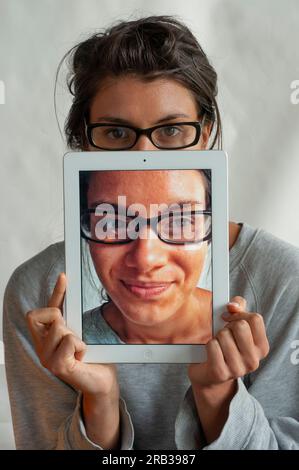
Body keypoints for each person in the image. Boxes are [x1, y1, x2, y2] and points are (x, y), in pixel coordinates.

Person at [3, 15, 299, 450]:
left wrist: (219, 396)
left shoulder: (283, 282)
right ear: (84, 141)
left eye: (172, 130)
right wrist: (99, 404)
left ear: (207, 134)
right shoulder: (39, 296)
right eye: (117, 132)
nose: (145, 154)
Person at [81, 169, 213, 345]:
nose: (145, 260)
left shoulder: (255, 323)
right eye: (114, 223)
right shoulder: (60, 345)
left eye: (180, 221)